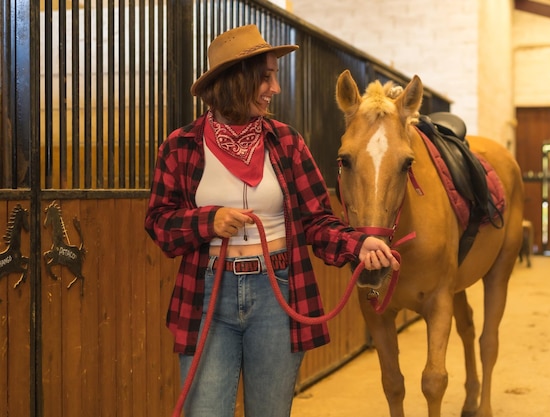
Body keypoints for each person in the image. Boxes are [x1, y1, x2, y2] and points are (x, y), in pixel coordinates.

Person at [144, 24, 400, 417]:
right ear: (235, 81)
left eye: (273, 78)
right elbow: (160, 223)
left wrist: (357, 244)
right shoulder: (180, 146)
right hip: (208, 292)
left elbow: (317, 221)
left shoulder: (286, 141)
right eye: (265, 78)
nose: (274, 89)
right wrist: (207, 222)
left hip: (276, 291)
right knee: (205, 410)